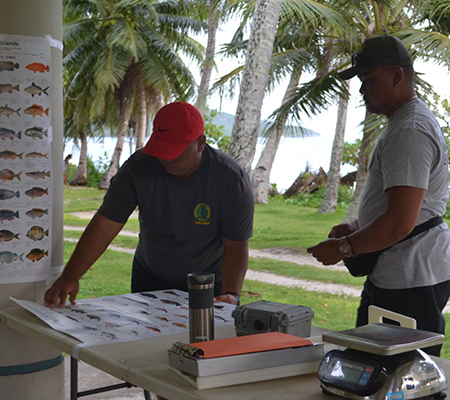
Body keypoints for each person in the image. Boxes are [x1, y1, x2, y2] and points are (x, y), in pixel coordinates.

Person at [307, 35, 450, 356]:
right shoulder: (404, 123)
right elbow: (406, 207)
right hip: (402, 272)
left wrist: (343, 248)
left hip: (411, 276)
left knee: (401, 376)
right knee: (369, 365)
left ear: (397, 76)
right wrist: (361, 225)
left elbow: (401, 221)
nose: (360, 90)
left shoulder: (410, 130)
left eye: (368, 80)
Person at [45, 102, 254, 309]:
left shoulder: (230, 179)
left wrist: (231, 294)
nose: (166, 158)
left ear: (200, 143)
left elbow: (235, 245)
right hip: (149, 277)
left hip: (207, 282)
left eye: (175, 151)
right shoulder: (139, 168)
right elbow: (106, 223)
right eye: (161, 148)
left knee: (202, 341)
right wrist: (71, 275)